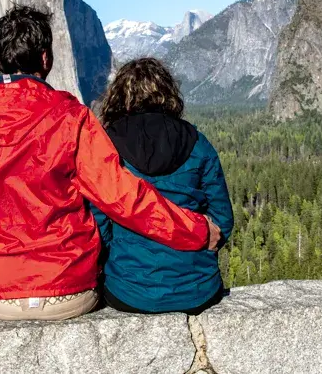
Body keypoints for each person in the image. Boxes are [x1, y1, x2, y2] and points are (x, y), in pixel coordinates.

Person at [0, 6, 221, 321]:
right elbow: (123, 198)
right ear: (45, 59)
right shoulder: (71, 120)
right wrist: (195, 230)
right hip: (67, 292)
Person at [93, 58, 234, 315]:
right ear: (168, 94)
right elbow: (223, 220)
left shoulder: (106, 148)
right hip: (198, 290)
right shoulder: (197, 142)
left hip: (128, 291)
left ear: (118, 97)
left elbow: (98, 228)